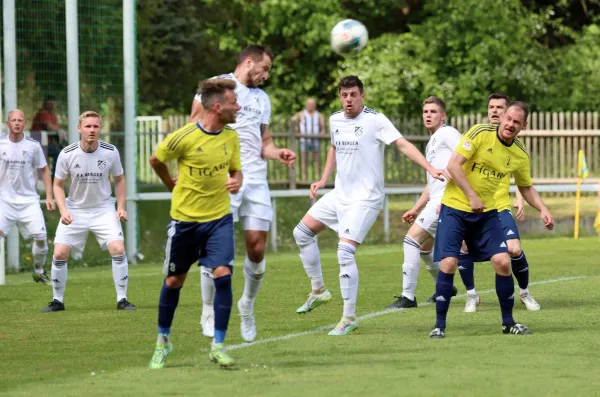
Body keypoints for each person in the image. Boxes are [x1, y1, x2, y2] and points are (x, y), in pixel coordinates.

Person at [292, 76, 447, 336]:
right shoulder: (334, 119)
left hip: (365, 199)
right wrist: (323, 179)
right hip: (339, 194)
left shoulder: (376, 120)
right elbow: (333, 148)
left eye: (353, 94)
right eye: (344, 95)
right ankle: (318, 290)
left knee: (344, 252)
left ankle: (348, 317)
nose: (348, 100)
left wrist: (430, 167)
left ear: (362, 95)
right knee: (301, 233)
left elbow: (402, 145)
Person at [189, 45, 296, 342]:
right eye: (265, 69)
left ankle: (247, 305)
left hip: (257, 180)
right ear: (249, 62)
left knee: (257, 249)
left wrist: (278, 153)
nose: (266, 76)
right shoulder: (216, 86)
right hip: (223, 179)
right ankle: (207, 309)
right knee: (213, 248)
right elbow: (192, 127)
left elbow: (265, 142)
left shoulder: (263, 99)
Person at [429, 101, 554, 339]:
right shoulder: (479, 133)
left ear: (524, 125)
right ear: (503, 117)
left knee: (503, 262)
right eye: (508, 118)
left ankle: (508, 323)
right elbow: (453, 166)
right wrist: (472, 196)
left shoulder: (519, 152)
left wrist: (543, 209)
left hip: (486, 214)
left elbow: (525, 186)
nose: (510, 124)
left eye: (516, 122)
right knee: (448, 263)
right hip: (455, 209)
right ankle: (439, 325)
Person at [149, 79, 242, 369]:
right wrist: (171, 185)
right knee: (174, 281)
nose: (238, 107)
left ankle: (218, 345)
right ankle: (163, 342)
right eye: (233, 102)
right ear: (217, 106)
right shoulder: (185, 136)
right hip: (186, 222)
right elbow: (156, 159)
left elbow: (236, 171)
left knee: (223, 275)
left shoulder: (231, 137)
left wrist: (238, 180)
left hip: (219, 219)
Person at [41, 111, 135, 313]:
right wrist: (63, 210)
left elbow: (119, 179)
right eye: (88, 126)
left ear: (100, 129)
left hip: (103, 208)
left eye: (95, 126)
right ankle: (57, 300)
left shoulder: (110, 152)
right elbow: (58, 184)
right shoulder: (67, 153)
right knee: (59, 253)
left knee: (118, 249)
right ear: (79, 129)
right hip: (75, 209)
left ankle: (122, 299)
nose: (92, 130)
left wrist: (120, 208)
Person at [458, 93, 541, 313]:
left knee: (514, 249)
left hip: (500, 206)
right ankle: (471, 295)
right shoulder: (478, 136)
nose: (495, 111)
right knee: (463, 247)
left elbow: (520, 179)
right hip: (471, 206)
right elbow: (457, 168)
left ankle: (524, 292)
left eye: (500, 108)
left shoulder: (515, 146)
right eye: (491, 107)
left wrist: (521, 199)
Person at [385, 97, 460, 309]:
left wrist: (450, 199)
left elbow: (467, 156)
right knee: (425, 248)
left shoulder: (447, 133)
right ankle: (445, 288)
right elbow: (434, 180)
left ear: (443, 116)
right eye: (425, 111)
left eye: (433, 111)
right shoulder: (434, 140)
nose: (428, 115)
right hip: (436, 200)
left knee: (411, 241)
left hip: (445, 202)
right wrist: (416, 208)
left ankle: (408, 297)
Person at [0, 109, 55, 283]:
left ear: (24, 123)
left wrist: (49, 196)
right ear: (8, 123)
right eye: (13, 120)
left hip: (29, 201)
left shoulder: (33, 145)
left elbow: (44, 170)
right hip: (4, 201)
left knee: (40, 238)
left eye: (20, 120)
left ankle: (38, 271)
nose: (16, 123)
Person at [292, 98, 326, 180]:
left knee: (317, 160)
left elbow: (323, 128)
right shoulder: (301, 114)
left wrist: (321, 135)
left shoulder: (319, 115)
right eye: (309, 104)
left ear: (315, 105)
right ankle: (304, 177)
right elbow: (292, 120)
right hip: (304, 140)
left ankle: (318, 176)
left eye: (312, 104)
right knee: (304, 160)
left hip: (316, 140)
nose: (310, 106)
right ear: (306, 105)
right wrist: (297, 127)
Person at [31, 95, 66, 175]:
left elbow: (56, 127)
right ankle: (54, 178)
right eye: (51, 104)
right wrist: (57, 129)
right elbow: (50, 127)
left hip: (48, 143)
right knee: (58, 153)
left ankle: (58, 177)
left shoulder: (53, 115)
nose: (53, 106)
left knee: (65, 150)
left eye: (54, 104)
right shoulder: (42, 113)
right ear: (46, 104)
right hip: (39, 144)